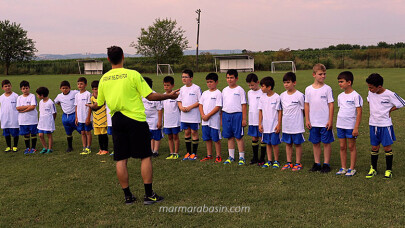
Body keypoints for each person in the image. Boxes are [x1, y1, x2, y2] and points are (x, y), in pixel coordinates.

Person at [91, 46, 178, 205]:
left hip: (117, 120)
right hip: (136, 120)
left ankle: (128, 196)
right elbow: (150, 96)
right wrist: (168, 96)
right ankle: (149, 195)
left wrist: (92, 107)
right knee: (145, 156)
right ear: (123, 56)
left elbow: (99, 104)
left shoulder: (104, 79)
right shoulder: (133, 74)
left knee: (121, 159)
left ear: (108, 59)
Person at [365, 73, 404, 179]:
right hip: (373, 124)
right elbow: (369, 100)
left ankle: (388, 170)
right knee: (374, 147)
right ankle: (373, 169)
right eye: (369, 87)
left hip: (385, 125)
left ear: (379, 87)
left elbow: (402, 102)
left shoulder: (390, 94)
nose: (370, 89)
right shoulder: (370, 92)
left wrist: (389, 110)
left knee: (387, 147)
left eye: (372, 87)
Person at [305, 63, 334, 173]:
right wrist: (307, 119)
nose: (323, 76)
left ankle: (326, 164)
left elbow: (331, 104)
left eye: (324, 74)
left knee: (326, 143)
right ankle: (317, 163)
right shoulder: (308, 89)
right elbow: (306, 104)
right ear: (314, 74)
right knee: (315, 143)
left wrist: (330, 120)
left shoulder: (327, 89)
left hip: (325, 122)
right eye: (320, 74)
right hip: (313, 122)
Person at [335, 71, 363, 176]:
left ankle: (352, 168)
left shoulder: (356, 96)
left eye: (341, 81)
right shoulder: (340, 96)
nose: (339, 84)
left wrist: (356, 128)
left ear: (349, 82)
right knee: (342, 146)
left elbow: (359, 112)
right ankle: (343, 168)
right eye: (339, 82)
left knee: (351, 147)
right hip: (340, 125)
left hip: (350, 126)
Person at [280, 72, 305, 171]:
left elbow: (304, 110)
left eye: (288, 82)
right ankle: (289, 162)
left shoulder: (299, 95)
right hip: (286, 125)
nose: (286, 84)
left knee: (297, 144)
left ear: (294, 83)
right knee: (288, 144)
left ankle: (298, 163)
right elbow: (281, 110)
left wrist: (300, 119)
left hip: (297, 125)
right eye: (284, 82)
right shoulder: (282, 96)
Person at [222, 69, 247, 165]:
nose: (229, 80)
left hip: (237, 115)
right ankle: (231, 156)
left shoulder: (240, 90)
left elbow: (244, 105)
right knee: (229, 137)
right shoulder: (224, 90)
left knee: (238, 137)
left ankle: (242, 157)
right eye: (228, 78)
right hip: (226, 115)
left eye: (231, 78)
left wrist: (244, 119)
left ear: (236, 78)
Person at [177, 69, 201, 161]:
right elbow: (179, 101)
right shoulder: (182, 89)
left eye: (186, 77)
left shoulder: (196, 88)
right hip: (184, 116)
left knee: (194, 132)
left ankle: (194, 153)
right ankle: (188, 152)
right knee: (186, 133)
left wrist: (190, 107)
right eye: (182, 77)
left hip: (194, 116)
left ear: (191, 78)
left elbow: (200, 101)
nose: (184, 79)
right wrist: (181, 107)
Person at [258, 77, 282, 168]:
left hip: (274, 126)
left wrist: (279, 124)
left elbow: (279, 111)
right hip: (265, 126)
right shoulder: (262, 97)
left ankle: (276, 161)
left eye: (263, 86)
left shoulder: (277, 97)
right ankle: (269, 160)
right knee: (267, 143)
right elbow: (260, 111)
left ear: (269, 87)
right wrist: (260, 124)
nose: (261, 88)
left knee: (274, 143)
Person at [199, 73, 222, 163]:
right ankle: (209, 155)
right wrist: (203, 115)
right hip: (205, 120)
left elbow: (218, 106)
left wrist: (208, 115)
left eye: (211, 82)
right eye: (208, 82)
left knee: (216, 138)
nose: (209, 84)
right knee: (207, 138)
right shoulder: (204, 93)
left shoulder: (218, 93)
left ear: (216, 82)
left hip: (214, 120)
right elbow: (200, 104)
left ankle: (218, 155)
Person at [246, 73, 265, 165]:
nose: (251, 87)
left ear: (258, 82)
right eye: (249, 85)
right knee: (254, 137)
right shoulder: (249, 93)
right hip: (252, 119)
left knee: (262, 138)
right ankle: (255, 157)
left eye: (252, 85)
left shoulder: (262, 92)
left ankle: (262, 158)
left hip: (261, 120)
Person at [54, 81, 79, 152]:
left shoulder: (74, 93)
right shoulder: (59, 96)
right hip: (65, 116)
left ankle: (86, 145)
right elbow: (56, 101)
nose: (65, 89)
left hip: (74, 114)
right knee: (68, 132)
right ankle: (70, 147)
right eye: (63, 88)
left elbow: (81, 94)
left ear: (70, 88)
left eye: (66, 88)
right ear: (60, 89)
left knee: (81, 130)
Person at [142, 77, 163, 157]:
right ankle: (150, 150)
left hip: (155, 119)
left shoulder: (155, 95)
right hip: (145, 119)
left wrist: (159, 121)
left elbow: (159, 109)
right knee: (149, 135)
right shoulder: (142, 95)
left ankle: (155, 151)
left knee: (156, 135)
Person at [16, 80, 38, 154]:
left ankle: (33, 148)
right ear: (21, 89)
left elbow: (33, 107)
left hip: (32, 119)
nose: (25, 90)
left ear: (29, 88)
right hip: (23, 120)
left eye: (26, 88)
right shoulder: (19, 98)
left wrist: (24, 110)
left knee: (33, 133)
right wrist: (28, 106)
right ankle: (27, 148)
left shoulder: (32, 96)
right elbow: (18, 108)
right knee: (26, 134)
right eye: (23, 88)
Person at [162, 76, 181, 159]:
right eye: (165, 85)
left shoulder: (176, 96)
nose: (166, 87)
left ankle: (176, 153)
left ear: (172, 86)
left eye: (168, 85)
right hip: (167, 121)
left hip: (175, 120)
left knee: (175, 136)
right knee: (169, 137)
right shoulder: (162, 96)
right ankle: (171, 153)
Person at [90, 80, 109, 155]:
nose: (95, 90)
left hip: (103, 118)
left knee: (104, 134)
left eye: (97, 89)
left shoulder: (103, 97)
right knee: (99, 135)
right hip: (96, 118)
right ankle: (101, 149)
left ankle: (105, 149)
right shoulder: (92, 98)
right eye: (94, 89)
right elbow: (92, 107)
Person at [0, 80, 19, 152]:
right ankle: (8, 146)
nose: (7, 87)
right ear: (2, 88)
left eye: (9, 86)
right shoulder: (1, 97)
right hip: (4, 118)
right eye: (5, 86)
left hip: (14, 117)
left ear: (11, 86)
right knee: (6, 133)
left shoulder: (16, 96)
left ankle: (15, 146)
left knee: (15, 132)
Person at [75, 77, 92, 155]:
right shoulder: (77, 95)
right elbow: (76, 106)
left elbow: (89, 106)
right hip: (80, 117)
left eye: (81, 84)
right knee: (82, 132)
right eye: (78, 84)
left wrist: (88, 118)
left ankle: (88, 147)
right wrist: (76, 117)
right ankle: (84, 147)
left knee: (88, 132)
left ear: (85, 85)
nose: (79, 85)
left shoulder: (88, 94)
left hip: (86, 118)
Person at [36, 87, 57, 154]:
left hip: (48, 122)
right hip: (41, 121)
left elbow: (54, 112)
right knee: (40, 135)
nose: (37, 96)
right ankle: (44, 147)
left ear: (42, 95)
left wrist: (52, 120)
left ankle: (50, 148)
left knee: (49, 135)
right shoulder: (40, 102)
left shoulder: (50, 102)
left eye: (38, 95)